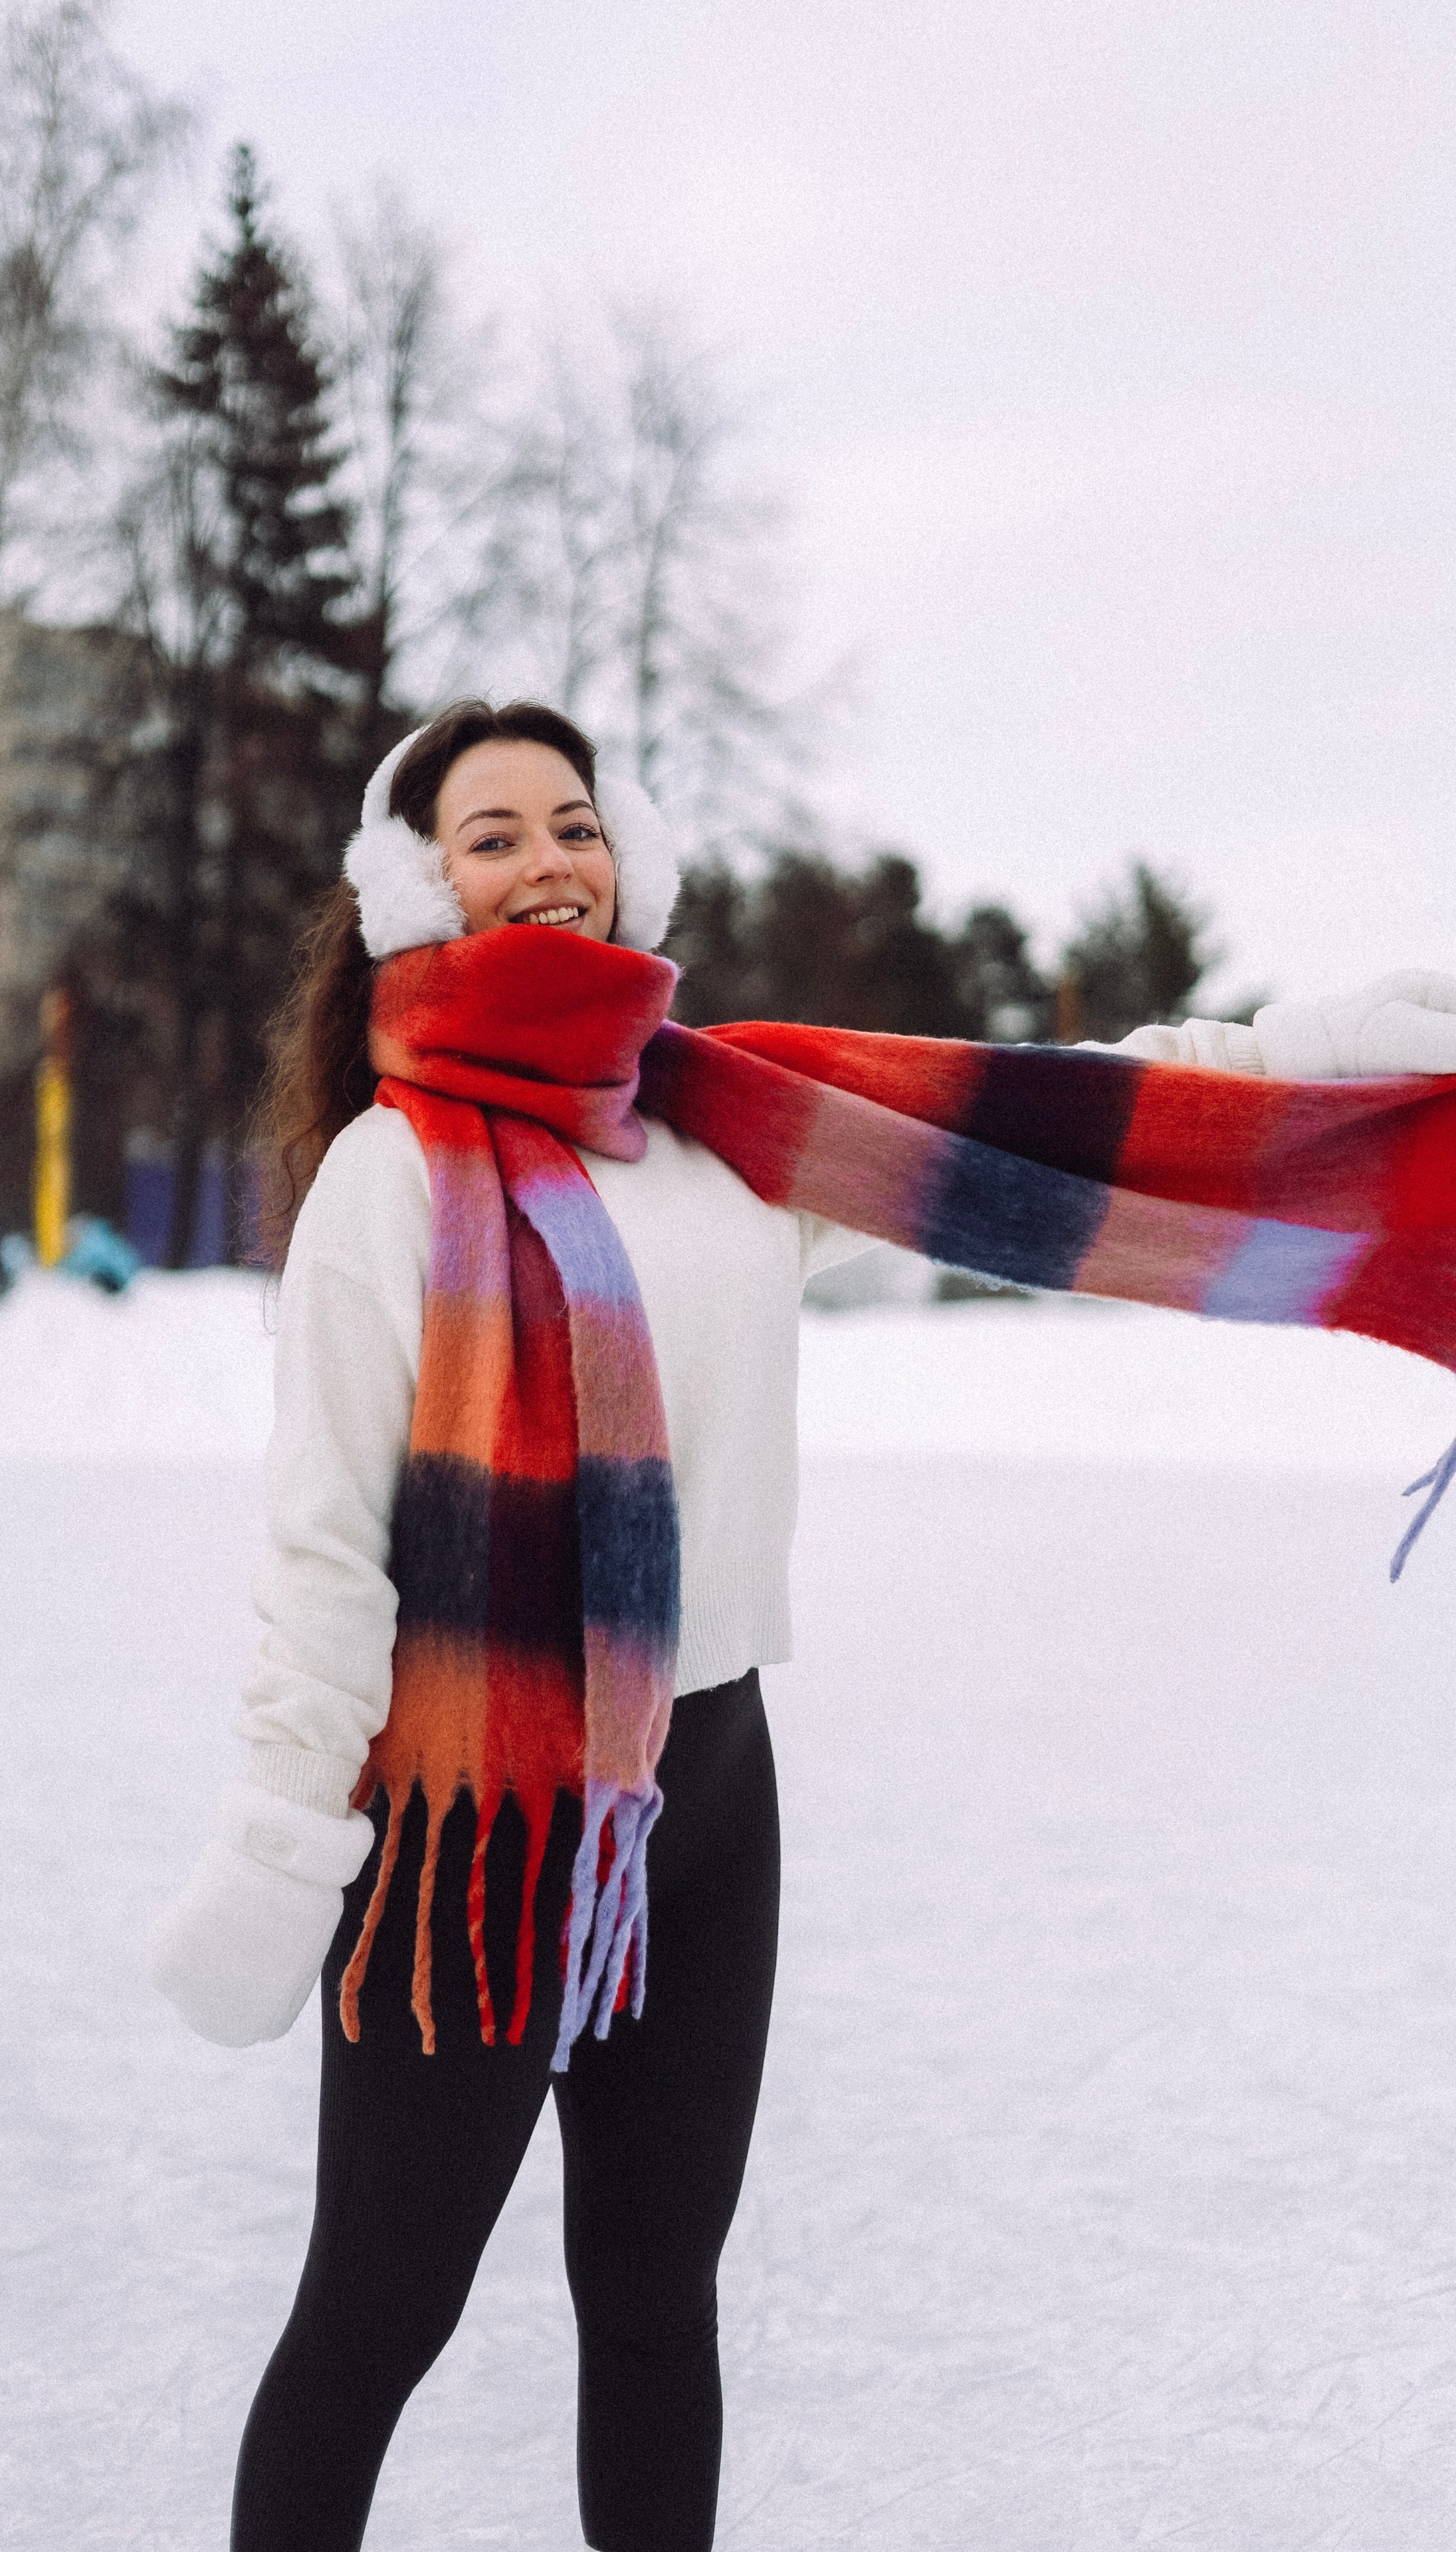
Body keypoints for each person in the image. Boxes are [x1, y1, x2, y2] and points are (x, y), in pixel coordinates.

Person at [147, 699, 1456, 2552]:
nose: (547, 865)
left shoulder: (732, 1128)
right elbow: (323, 1554)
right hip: (481, 1812)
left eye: (574, 823)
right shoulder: (392, 1178)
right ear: (416, 888)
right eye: (494, 833)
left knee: (659, 2298)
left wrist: (1314, 1066)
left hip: (709, 1790)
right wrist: (288, 1835)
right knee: (377, 2316)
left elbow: (1064, 1120)